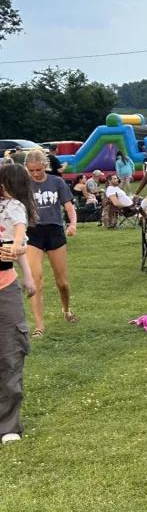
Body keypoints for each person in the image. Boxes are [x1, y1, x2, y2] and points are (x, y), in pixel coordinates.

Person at [0, 164, 38, 444]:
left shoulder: (12, 207)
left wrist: (27, 273)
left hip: (5, 287)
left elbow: (18, 237)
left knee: (11, 352)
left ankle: (8, 425)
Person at [24, 150, 78, 336]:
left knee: (62, 282)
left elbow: (69, 207)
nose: (35, 174)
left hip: (54, 231)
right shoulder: (23, 184)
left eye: (38, 169)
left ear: (45, 166)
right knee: (36, 279)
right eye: (31, 170)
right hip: (33, 232)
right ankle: (39, 326)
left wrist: (72, 224)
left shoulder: (57, 182)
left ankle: (66, 310)